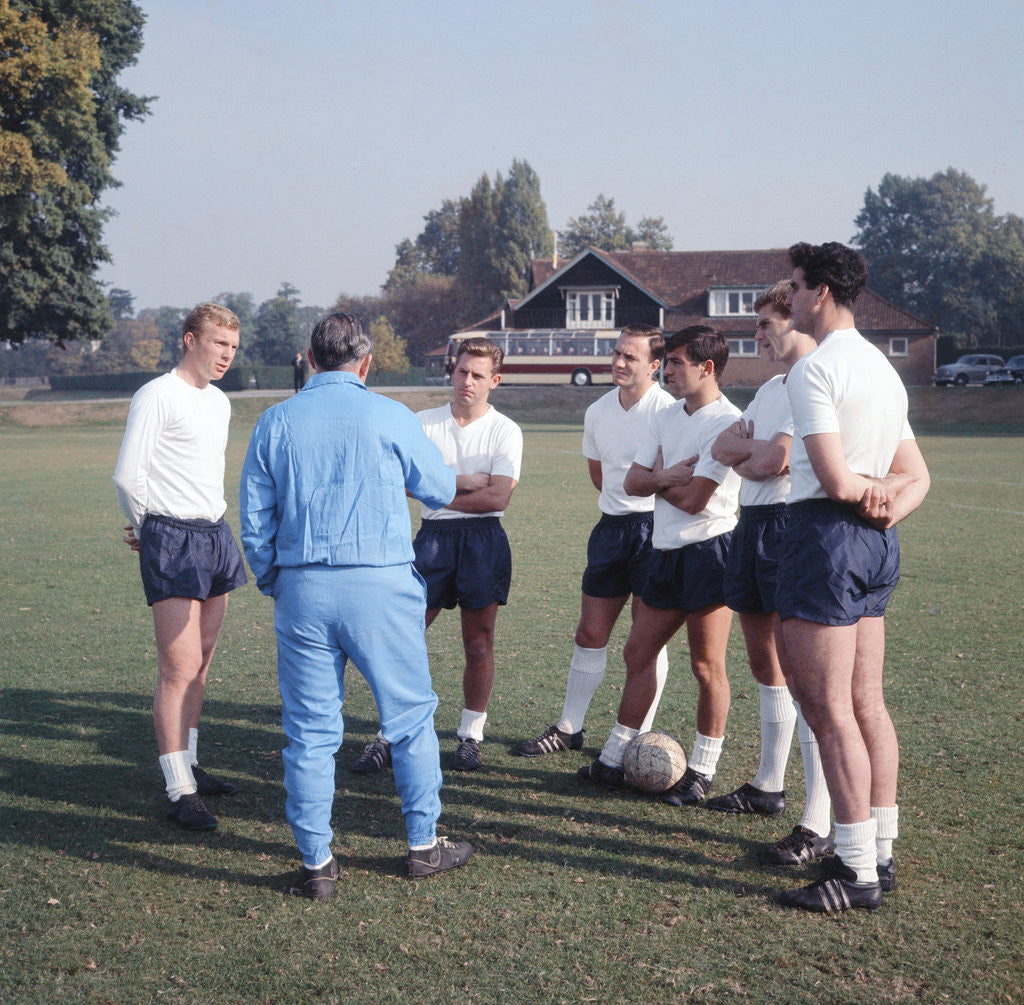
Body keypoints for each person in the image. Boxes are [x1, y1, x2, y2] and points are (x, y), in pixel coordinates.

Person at [238, 312, 474, 898]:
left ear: (310, 358)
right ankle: (423, 846)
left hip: (303, 587)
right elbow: (440, 490)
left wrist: (274, 578)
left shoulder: (275, 420)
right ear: (365, 363)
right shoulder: (390, 414)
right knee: (411, 719)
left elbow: (253, 518)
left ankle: (317, 863)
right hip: (382, 586)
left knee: (311, 731)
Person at [774, 242, 930, 912]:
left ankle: (858, 871)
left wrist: (866, 492)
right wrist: (888, 498)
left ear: (821, 292)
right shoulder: (886, 372)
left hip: (825, 539)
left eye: (795, 287)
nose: (788, 300)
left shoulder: (814, 372)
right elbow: (917, 476)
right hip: (877, 542)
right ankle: (880, 850)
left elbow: (834, 479)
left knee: (828, 708)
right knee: (866, 703)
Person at [576, 326, 741, 804]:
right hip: (664, 553)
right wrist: (666, 475)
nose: (667, 371)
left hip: (709, 552)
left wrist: (658, 480)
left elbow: (693, 500)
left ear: (707, 368)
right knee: (636, 652)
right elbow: (630, 481)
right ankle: (614, 758)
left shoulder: (726, 421)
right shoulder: (667, 415)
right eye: (666, 362)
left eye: (677, 363)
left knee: (706, 666)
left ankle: (703, 770)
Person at [351, 337, 523, 774]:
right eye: (463, 371)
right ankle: (390, 734)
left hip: (484, 541)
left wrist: (439, 485)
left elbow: (497, 497)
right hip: (432, 541)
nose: (468, 381)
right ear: (453, 371)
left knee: (479, 642)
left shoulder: (505, 429)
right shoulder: (422, 422)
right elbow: (403, 484)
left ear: (495, 381)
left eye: (479, 375)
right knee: (405, 639)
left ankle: (470, 737)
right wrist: (466, 479)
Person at [706, 284, 835, 865]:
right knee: (766, 663)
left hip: (788, 523)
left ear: (798, 320)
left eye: (765, 323)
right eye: (756, 324)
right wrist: (748, 448)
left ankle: (819, 819)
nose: (757, 333)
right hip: (749, 522)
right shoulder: (768, 387)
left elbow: (775, 459)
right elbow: (721, 447)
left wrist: (749, 449)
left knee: (808, 675)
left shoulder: (814, 379)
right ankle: (767, 786)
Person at [113, 302, 248, 832]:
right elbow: (128, 476)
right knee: (178, 667)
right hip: (172, 537)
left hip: (215, 534)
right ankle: (179, 790)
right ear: (190, 340)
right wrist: (148, 528)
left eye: (233, 348)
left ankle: (191, 764)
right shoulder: (156, 395)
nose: (226, 356)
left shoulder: (219, 403)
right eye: (219, 345)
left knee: (203, 663)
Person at [515, 325, 675, 757]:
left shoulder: (669, 410)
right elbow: (599, 476)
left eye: (631, 357)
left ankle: (640, 735)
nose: (619, 363)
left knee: (646, 640)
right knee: (590, 632)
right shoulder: (597, 410)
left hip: (656, 531)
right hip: (610, 529)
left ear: (655, 366)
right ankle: (569, 728)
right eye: (617, 354)